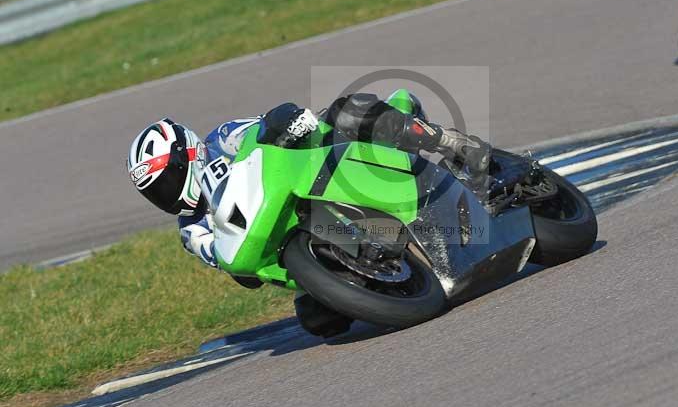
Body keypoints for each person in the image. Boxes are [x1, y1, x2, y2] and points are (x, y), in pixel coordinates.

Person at [126, 92, 491, 336]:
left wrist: (287, 123)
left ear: (187, 154)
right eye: (155, 191)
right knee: (318, 321)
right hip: (297, 237)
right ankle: (385, 270)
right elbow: (238, 270)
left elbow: (264, 126)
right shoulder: (191, 230)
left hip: (321, 168)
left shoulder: (220, 139)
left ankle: (448, 141)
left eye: (166, 178)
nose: (166, 192)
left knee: (348, 111)